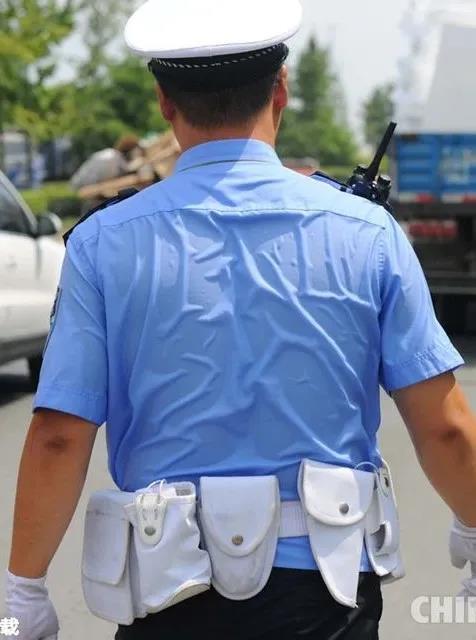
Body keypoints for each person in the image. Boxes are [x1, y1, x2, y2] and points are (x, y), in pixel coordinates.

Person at [5, 1, 476, 639]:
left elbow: (61, 435)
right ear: (281, 89)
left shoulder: (101, 244)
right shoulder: (368, 233)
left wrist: (24, 590)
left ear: (164, 102)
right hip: (327, 597)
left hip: (168, 594)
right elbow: (443, 426)